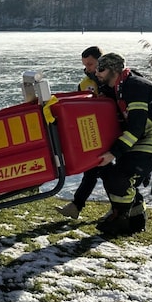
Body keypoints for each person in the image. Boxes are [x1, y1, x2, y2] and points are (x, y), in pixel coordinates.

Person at [94, 52, 152, 235]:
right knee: (109, 173)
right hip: (145, 136)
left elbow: (136, 127)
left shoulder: (134, 86)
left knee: (120, 177)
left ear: (114, 70)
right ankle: (136, 220)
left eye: (101, 69)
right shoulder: (121, 84)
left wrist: (114, 153)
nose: (97, 73)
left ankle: (120, 219)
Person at [56, 46, 105, 219]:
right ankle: (76, 206)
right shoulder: (85, 84)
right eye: (85, 65)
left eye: (90, 64)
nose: (88, 68)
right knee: (93, 171)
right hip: (93, 134)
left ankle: (124, 208)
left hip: (112, 135)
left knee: (109, 173)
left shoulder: (113, 80)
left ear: (101, 61)